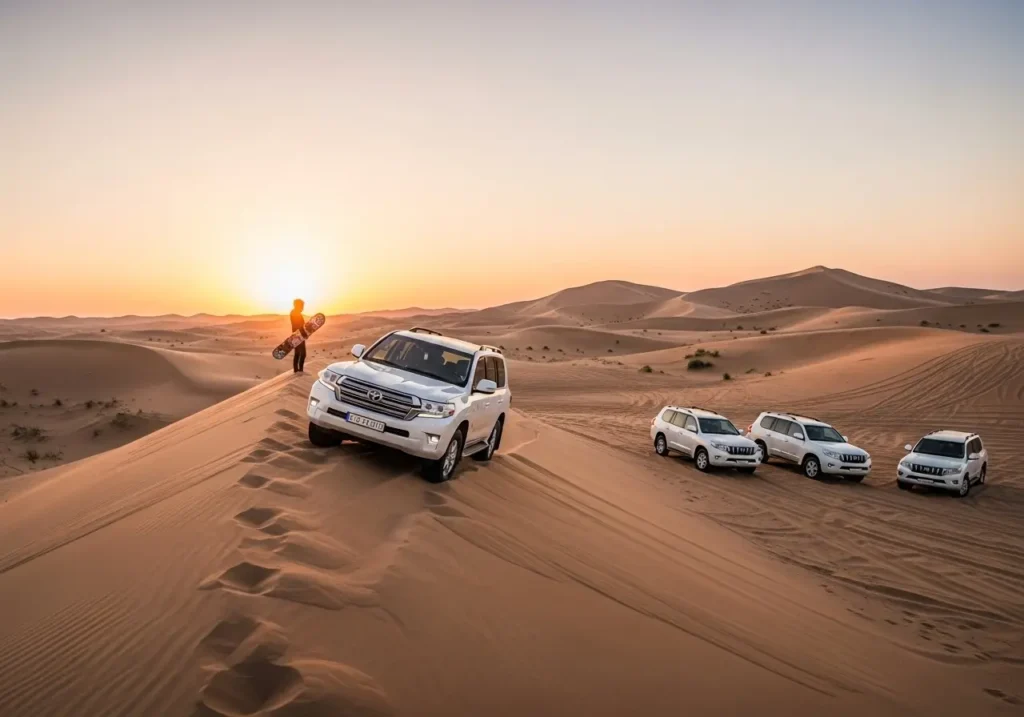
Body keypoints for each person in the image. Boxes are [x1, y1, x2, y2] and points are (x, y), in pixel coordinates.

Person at [290, 298, 308, 373]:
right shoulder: (295, 313)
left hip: (297, 335)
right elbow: (299, 326)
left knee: (298, 353)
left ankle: (297, 370)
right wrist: (304, 334)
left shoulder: (294, 312)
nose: (303, 307)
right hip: (299, 336)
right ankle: (299, 371)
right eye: (302, 305)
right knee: (302, 354)